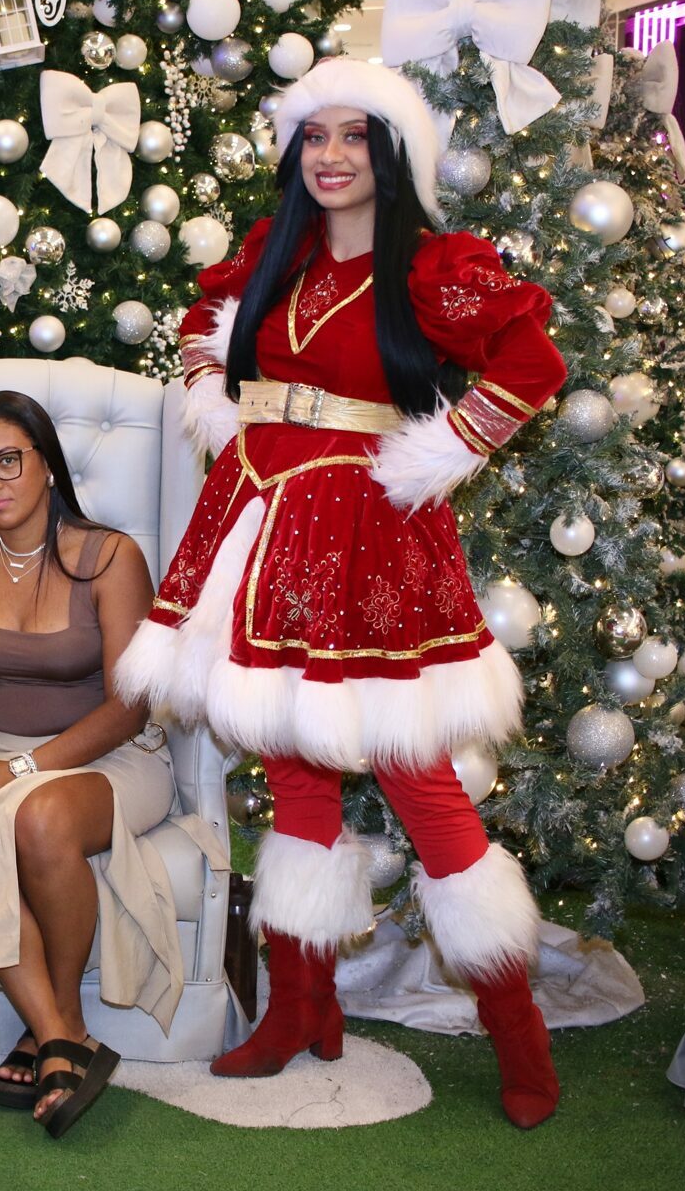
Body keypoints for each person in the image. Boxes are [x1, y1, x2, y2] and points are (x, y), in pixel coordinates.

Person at [115, 59, 569, 1129]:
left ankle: (518, 1032)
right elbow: (203, 323)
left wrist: (439, 452)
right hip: (258, 517)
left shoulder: (432, 269)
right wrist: (218, 402)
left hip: (370, 535)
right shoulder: (276, 254)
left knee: (421, 780)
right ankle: (298, 1009)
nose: (329, 156)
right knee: (294, 771)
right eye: (313, 136)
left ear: (391, 152)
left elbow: (532, 363)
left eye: (354, 136)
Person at [0, 390, 198, 1139]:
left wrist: (21, 770)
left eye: (7, 460)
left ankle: (62, 1021)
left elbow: (130, 708)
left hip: (109, 758)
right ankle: (57, 1035)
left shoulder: (110, 556)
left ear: (46, 462)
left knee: (40, 817)